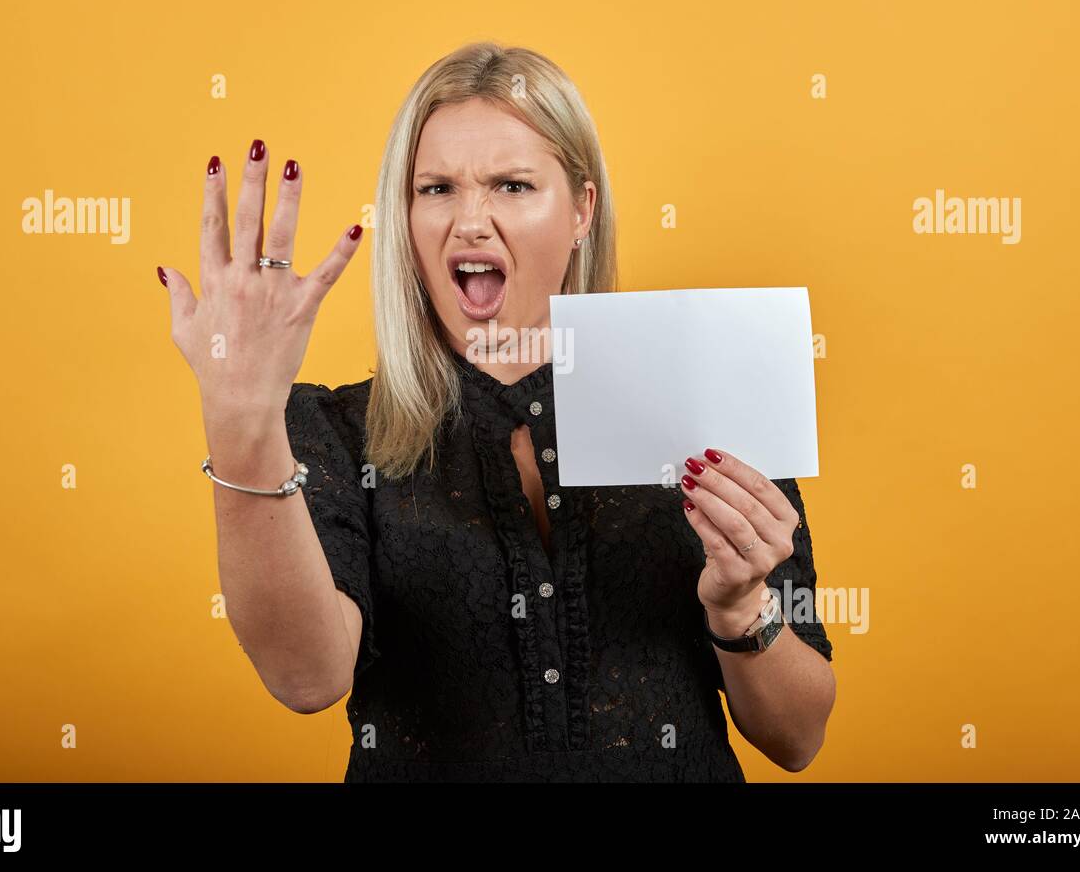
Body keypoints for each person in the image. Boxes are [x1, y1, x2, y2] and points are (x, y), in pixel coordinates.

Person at [158, 41, 836, 782]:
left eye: (512, 186)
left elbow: (796, 738)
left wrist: (740, 608)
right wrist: (242, 422)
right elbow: (306, 678)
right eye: (437, 189)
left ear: (582, 208)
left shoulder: (700, 396)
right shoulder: (339, 432)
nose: (471, 221)